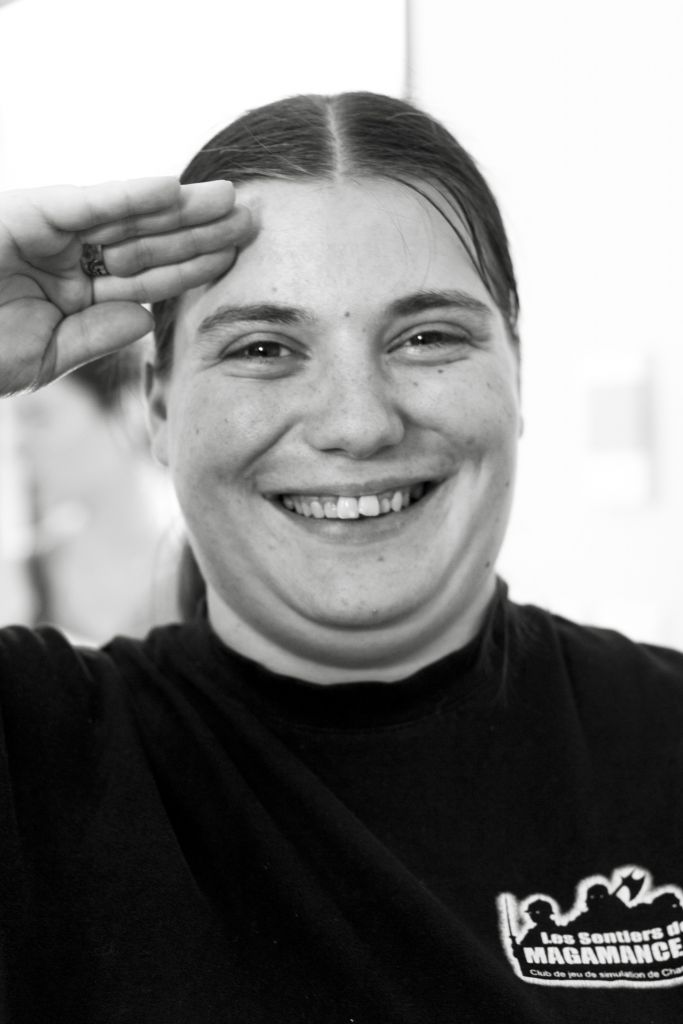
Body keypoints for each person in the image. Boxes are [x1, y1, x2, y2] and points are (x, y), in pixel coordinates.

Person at [0, 91, 682, 1023]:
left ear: (516, 373)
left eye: (426, 337)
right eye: (265, 347)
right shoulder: (32, 762)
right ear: (158, 407)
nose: (358, 423)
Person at [9, 348, 181, 642]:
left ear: (127, 409)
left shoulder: (209, 569)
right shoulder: (21, 581)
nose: (20, 445)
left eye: (39, 418)